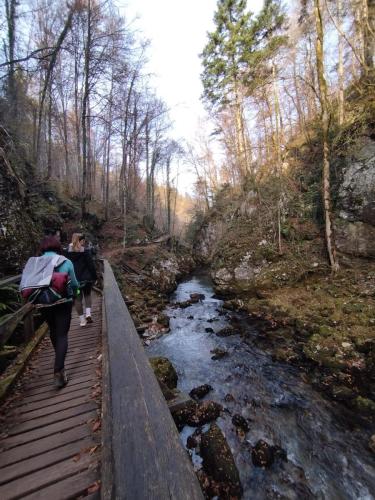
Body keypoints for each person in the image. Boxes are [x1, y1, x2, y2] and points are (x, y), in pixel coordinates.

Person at [38, 235, 79, 388]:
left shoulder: (36, 263)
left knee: (54, 331)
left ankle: (59, 362)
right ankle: (58, 370)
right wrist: (77, 293)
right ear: (57, 247)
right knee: (62, 334)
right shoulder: (65, 261)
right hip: (63, 302)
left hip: (43, 304)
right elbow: (74, 283)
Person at [68, 233, 97, 326]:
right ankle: (88, 314)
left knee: (77, 298)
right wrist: (94, 277)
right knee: (87, 295)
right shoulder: (85, 251)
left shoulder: (68, 252)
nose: (84, 242)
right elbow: (91, 265)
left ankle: (82, 320)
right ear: (81, 240)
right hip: (86, 280)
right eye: (83, 240)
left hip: (75, 281)